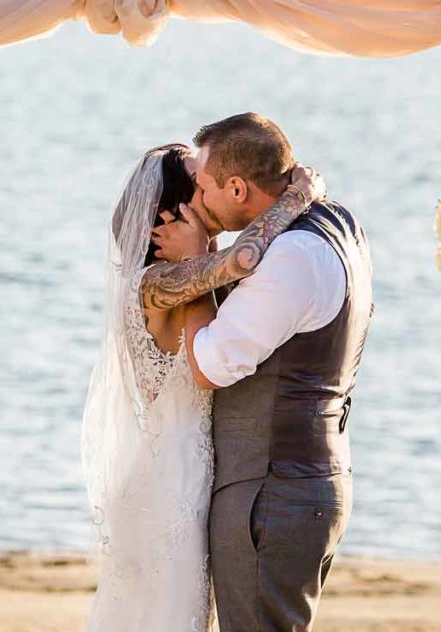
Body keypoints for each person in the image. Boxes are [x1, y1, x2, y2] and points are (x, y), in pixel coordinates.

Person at [82, 140, 324, 631]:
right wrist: (296, 199)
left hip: (182, 476)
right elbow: (243, 261)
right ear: (170, 214)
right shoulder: (158, 284)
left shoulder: (184, 275)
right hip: (168, 487)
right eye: (199, 183)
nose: (211, 188)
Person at [154, 112, 374, 632]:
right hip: (301, 482)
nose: (198, 200)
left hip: (271, 494)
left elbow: (210, 365)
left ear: (236, 187)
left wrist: (196, 266)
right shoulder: (335, 220)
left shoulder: (293, 255)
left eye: (204, 188)